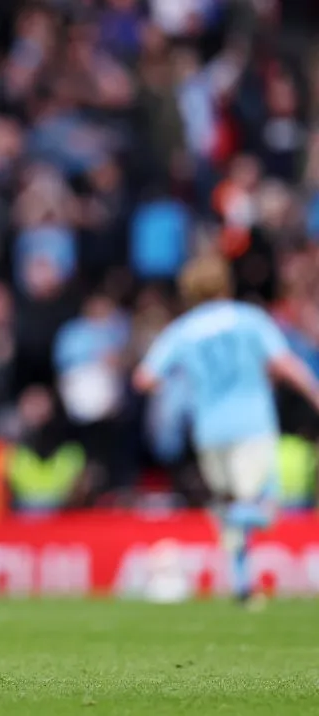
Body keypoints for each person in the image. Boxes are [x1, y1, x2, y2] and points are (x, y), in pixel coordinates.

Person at [134, 255, 319, 608]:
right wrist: (314, 391)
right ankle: (218, 518)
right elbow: (283, 362)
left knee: (235, 510)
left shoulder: (183, 330)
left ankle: (241, 589)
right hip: (252, 425)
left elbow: (145, 378)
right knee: (264, 509)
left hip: (209, 431)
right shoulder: (249, 319)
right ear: (224, 283)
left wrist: (187, 385)